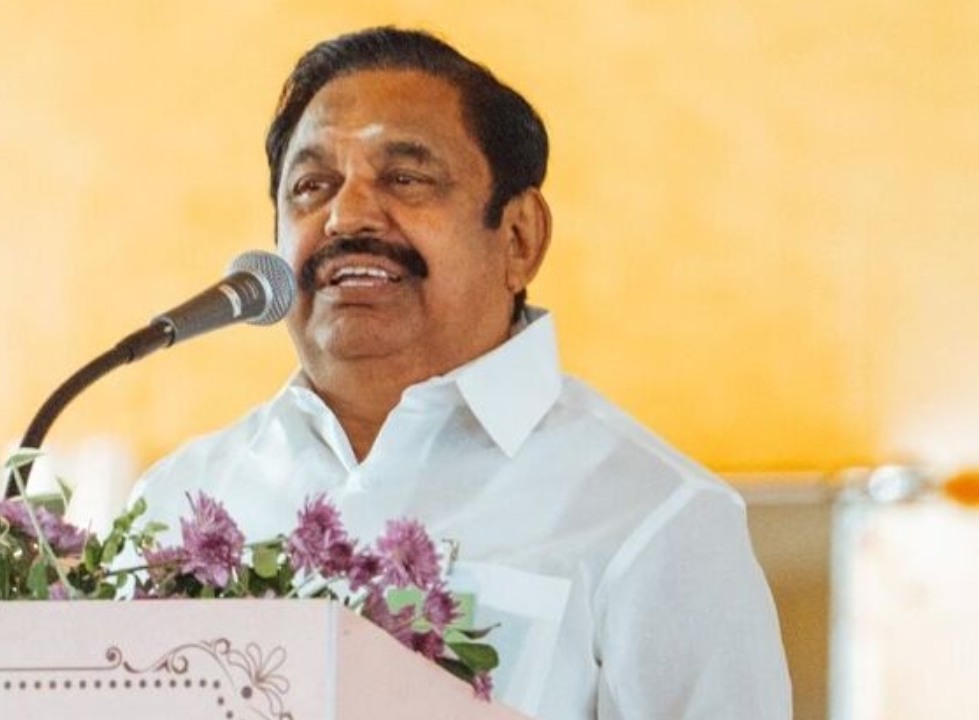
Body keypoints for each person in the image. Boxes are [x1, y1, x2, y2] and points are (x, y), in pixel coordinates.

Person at [129, 26, 791, 720]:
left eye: (406, 178)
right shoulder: (180, 500)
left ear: (519, 238)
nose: (346, 216)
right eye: (312, 186)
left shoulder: (656, 518)